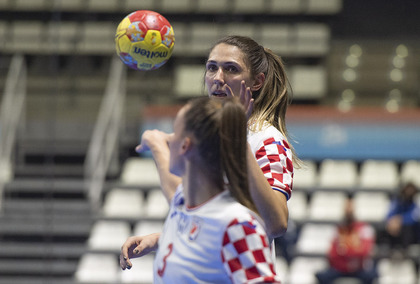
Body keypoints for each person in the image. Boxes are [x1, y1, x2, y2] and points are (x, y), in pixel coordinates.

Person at [120, 35, 299, 268]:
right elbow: (202, 215)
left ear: (257, 82)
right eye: (211, 68)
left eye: (231, 69)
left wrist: (156, 144)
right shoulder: (208, 135)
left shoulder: (267, 141)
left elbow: (276, 224)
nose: (218, 78)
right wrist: (159, 239)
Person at [121, 97, 281, 283]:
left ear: (184, 146)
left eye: (174, 132)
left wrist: (155, 143)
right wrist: (154, 142)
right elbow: (173, 188)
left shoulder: (237, 225)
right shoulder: (185, 204)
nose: (168, 140)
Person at [315, 196, 378, 284]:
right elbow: (332, 253)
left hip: (359, 269)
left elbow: (365, 251)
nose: (348, 211)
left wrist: (344, 251)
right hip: (339, 269)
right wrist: (353, 250)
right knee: (321, 276)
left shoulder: (364, 228)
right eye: (346, 208)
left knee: (373, 275)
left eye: (350, 208)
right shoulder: (338, 229)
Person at [384, 182, 420, 254]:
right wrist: (393, 221)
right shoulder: (397, 202)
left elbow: (415, 217)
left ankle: (405, 252)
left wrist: (400, 220)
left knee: (407, 228)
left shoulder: (416, 203)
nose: (408, 193)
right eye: (407, 191)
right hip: (395, 231)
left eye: (411, 191)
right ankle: (391, 250)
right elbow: (389, 215)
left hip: (413, 235)